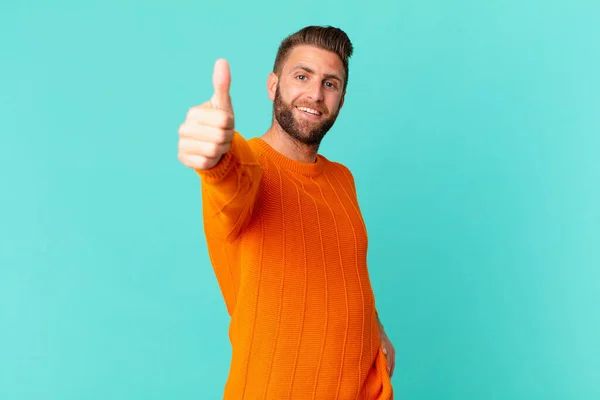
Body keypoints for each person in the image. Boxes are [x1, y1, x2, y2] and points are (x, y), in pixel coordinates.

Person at [178, 25, 395, 399]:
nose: (314, 93)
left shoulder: (343, 179)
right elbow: (230, 176)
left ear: (341, 100)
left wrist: (375, 329)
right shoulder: (250, 166)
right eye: (301, 76)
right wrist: (214, 153)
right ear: (272, 85)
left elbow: (344, 270)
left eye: (331, 83)